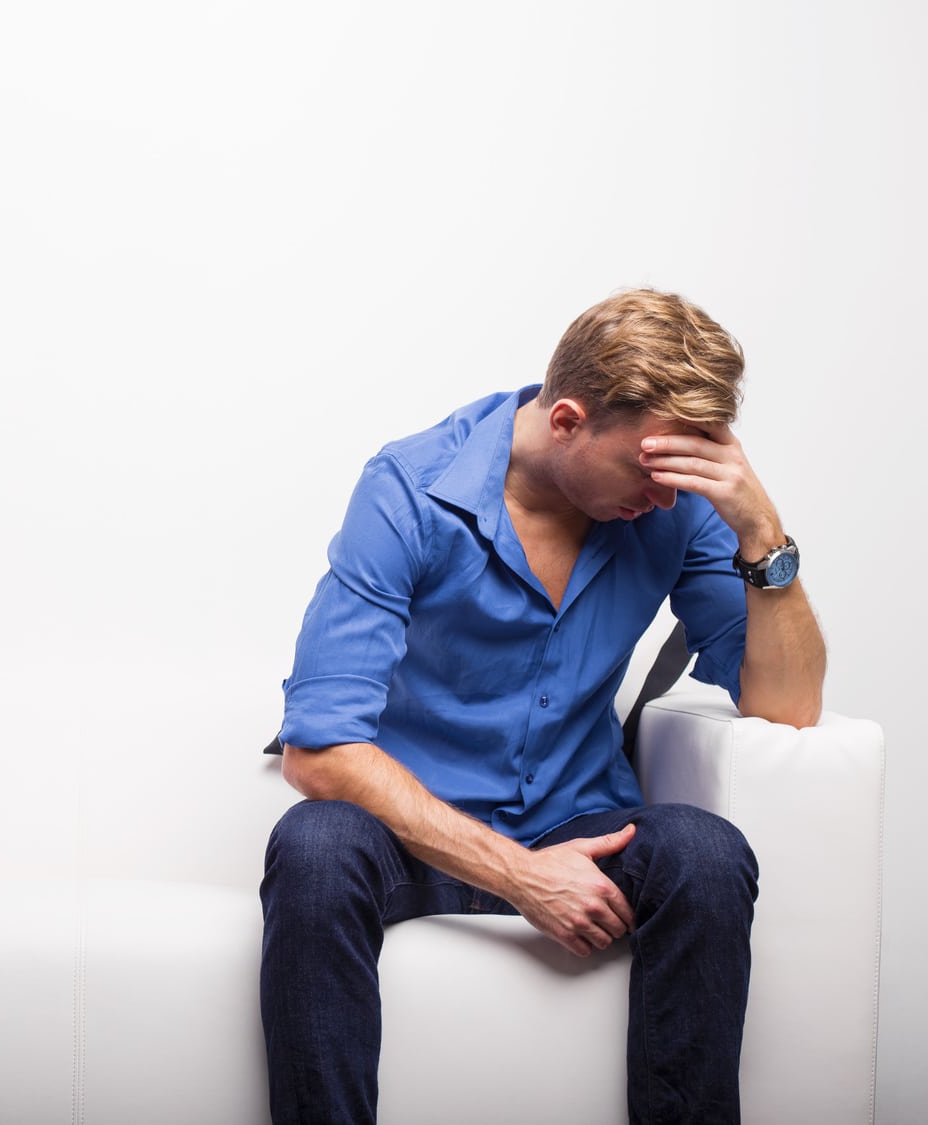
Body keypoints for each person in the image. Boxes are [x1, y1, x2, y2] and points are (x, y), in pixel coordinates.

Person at [260, 289, 825, 1124]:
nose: (664, 498)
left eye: (682, 475)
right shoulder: (408, 491)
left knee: (707, 854)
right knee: (313, 845)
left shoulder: (674, 507)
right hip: (411, 832)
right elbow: (320, 750)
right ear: (566, 420)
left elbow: (788, 707)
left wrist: (760, 530)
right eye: (645, 468)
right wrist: (522, 877)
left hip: (580, 823)